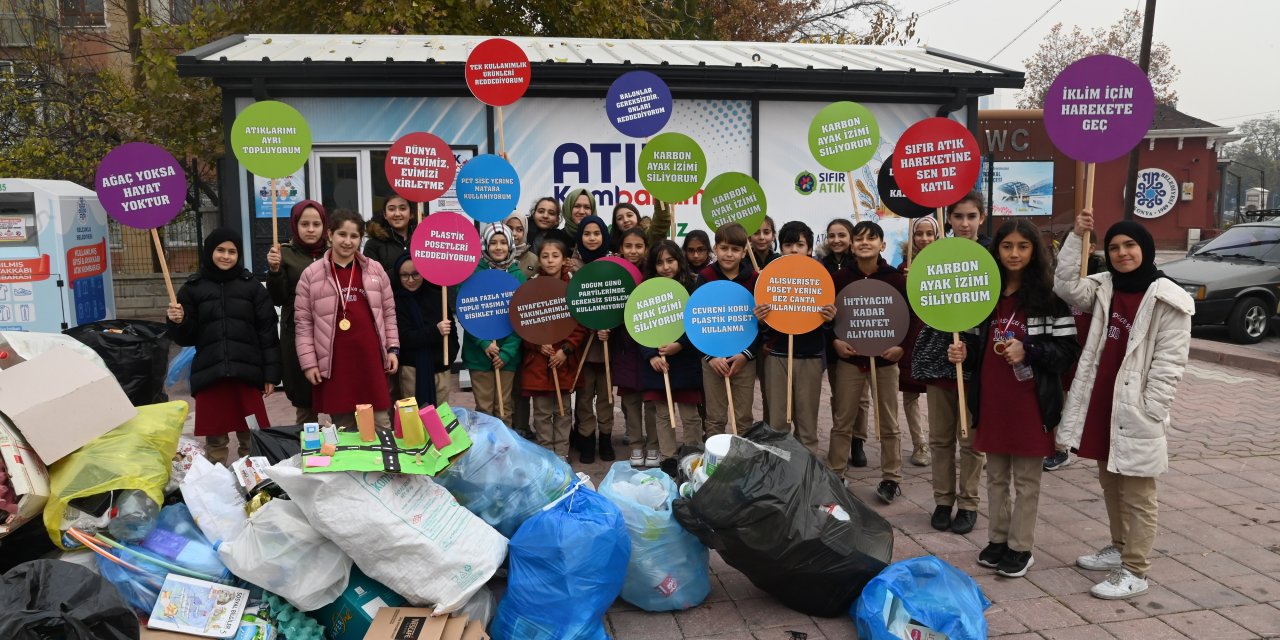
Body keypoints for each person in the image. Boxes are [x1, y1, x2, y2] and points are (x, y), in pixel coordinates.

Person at [1054, 210, 1193, 600]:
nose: (1122, 253)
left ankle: (1136, 569)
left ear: (1145, 249)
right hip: (1102, 402)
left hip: (1136, 408)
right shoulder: (1102, 287)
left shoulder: (1169, 297)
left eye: (1129, 245)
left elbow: (1170, 362)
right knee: (1111, 482)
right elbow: (1064, 285)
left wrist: (1152, 408)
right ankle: (1118, 547)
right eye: (1114, 247)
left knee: (1138, 492)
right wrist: (1077, 237)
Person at [948, 219, 1080, 578]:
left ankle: (1021, 547)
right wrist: (964, 354)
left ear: (1034, 251)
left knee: (1025, 480)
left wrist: (1030, 349)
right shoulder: (984, 296)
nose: (1015, 254)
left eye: (1023, 246)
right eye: (1007, 246)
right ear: (997, 251)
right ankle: (998, 539)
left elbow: (1067, 351)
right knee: (995, 477)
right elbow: (978, 347)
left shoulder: (1051, 298)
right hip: (992, 399)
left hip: (1030, 402)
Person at [166, 228, 279, 465]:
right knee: (215, 442)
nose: (226, 256)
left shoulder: (252, 288)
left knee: (252, 436)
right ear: (209, 252)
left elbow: (267, 333)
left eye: (232, 251)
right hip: (211, 374)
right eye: (220, 250)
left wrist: (271, 374)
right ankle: (218, 485)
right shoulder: (193, 289)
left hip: (247, 374)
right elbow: (186, 337)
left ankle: (254, 485)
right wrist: (178, 321)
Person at [914, 191, 989, 535]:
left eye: (971, 216)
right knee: (941, 438)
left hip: (977, 363)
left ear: (981, 219)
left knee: (971, 440)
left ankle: (969, 503)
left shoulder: (992, 257)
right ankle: (943, 500)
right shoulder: (936, 257)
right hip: (939, 361)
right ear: (949, 219)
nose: (964, 223)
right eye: (958, 216)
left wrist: (971, 350)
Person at [295, 210, 399, 430]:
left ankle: (382, 464)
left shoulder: (375, 270)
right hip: (335, 363)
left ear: (361, 239)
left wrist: (392, 349)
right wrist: (309, 363)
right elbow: (303, 324)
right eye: (342, 234)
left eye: (354, 236)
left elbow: (389, 313)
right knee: (345, 429)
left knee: (380, 424)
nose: (348, 241)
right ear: (330, 234)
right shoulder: (311, 275)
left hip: (370, 360)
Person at [830, 221, 909, 504]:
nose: (865, 243)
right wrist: (835, 342)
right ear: (851, 245)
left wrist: (901, 347)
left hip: (886, 362)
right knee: (842, 420)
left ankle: (891, 477)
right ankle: (836, 474)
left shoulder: (897, 279)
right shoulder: (839, 278)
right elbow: (828, 319)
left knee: (889, 421)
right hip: (851, 361)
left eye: (871, 239)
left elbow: (911, 320)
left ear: (882, 245)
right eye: (859, 239)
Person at [755, 221, 835, 456]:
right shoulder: (770, 274)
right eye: (788, 244)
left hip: (809, 355)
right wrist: (761, 318)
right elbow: (762, 321)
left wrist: (829, 318)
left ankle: (806, 472)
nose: (793, 250)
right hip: (777, 354)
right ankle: (778, 471)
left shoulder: (821, 276)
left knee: (807, 420)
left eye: (799, 245)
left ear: (809, 248)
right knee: (778, 421)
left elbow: (829, 324)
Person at [519, 235, 588, 461]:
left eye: (555, 256)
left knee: (563, 410)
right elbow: (523, 322)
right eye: (545, 256)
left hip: (564, 362)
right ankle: (546, 454)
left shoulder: (572, 288)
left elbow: (580, 325)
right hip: (539, 363)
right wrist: (537, 345)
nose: (550, 261)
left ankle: (561, 453)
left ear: (564, 260)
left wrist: (565, 350)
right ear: (539, 260)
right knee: (541, 413)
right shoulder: (531, 287)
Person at [641, 240, 705, 475]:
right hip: (659, 363)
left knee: (690, 414)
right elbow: (638, 328)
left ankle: (694, 455)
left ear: (680, 260)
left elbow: (698, 323)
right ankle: (668, 458)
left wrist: (680, 345)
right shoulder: (646, 289)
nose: (666, 267)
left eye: (671, 260)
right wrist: (650, 356)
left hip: (685, 361)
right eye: (660, 262)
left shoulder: (692, 286)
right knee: (663, 414)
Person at [266, 199, 327, 423]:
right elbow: (278, 297)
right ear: (295, 225)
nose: (310, 229)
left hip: (331, 329)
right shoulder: (284, 254)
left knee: (337, 393)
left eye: (316, 224)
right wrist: (274, 270)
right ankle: (307, 448)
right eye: (304, 224)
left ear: (324, 226)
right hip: (298, 329)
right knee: (305, 397)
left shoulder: (333, 253)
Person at [695, 222, 759, 437]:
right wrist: (711, 357)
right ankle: (715, 466)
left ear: (744, 252)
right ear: (715, 249)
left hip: (744, 358)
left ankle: (743, 462)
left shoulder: (754, 279)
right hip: (713, 358)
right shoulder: (705, 276)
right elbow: (697, 320)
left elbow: (760, 323)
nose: (729, 254)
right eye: (724, 248)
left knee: (743, 417)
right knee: (714, 417)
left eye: (735, 249)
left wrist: (746, 355)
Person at [462, 224, 526, 427]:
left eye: (503, 242)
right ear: (485, 245)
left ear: (510, 245)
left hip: (507, 356)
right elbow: (467, 312)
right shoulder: (474, 274)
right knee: (484, 409)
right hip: (479, 355)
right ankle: (486, 453)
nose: (498, 247)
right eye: (493, 243)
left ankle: (504, 453)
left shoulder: (517, 276)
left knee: (504, 409)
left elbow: (521, 318)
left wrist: (507, 352)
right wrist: (483, 343)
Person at [821, 218, 871, 467]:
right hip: (833, 341)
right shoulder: (820, 266)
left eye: (842, 235)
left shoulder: (861, 265)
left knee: (861, 397)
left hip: (860, 338)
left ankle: (857, 440)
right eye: (832, 235)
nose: (836, 240)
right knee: (840, 395)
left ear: (851, 239)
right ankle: (843, 436)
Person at [612, 227, 660, 466]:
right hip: (625, 349)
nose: (633, 251)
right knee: (631, 402)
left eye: (638, 246)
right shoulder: (613, 274)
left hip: (650, 347)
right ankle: (636, 446)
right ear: (621, 248)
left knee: (651, 401)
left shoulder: (653, 275)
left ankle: (653, 446)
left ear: (646, 249)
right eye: (628, 246)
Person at [572, 215, 616, 464]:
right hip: (583, 346)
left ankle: (606, 438)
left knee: (607, 396)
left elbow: (620, 300)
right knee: (585, 397)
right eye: (587, 234)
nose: (591, 238)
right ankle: (586, 439)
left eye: (596, 233)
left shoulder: (613, 264)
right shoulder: (572, 266)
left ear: (604, 236)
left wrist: (610, 327)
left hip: (607, 344)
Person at [898, 216, 939, 467]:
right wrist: (907, 282)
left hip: (940, 335)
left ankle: (947, 441)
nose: (924, 239)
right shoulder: (904, 266)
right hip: (912, 334)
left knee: (942, 393)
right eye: (919, 234)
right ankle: (919, 444)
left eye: (929, 234)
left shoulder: (947, 262)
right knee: (911, 393)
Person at [392, 254, 456, 408]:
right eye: (404, 275)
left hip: (440, 368)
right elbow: (404, 338)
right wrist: (435, 331)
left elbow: (451, 332)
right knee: (413, 419)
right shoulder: (396, 301)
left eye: (415, 274)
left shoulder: (439, 297)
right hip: (412, 370)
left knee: (441, 418)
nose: (410, 280)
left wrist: (450, 357)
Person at [364, 195, 416, 276]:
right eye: (391, 209)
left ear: (411, 214)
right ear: (385, 215)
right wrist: (400, 270)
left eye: (402, 208)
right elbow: (372, 280)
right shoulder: (373, 245)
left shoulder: (424, 241)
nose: (397, 214)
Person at [609, 201, 674, 255]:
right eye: (620, 218)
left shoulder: (648, 236)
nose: (625, 220)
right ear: (616, 224)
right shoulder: (611, 248)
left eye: (629, 215)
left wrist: (659, 195)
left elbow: (661, 221)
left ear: (637, 216)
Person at [521, 197, 561, 280]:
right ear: (534, 213)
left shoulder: (561, 239)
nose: (545, 216)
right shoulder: (521, 233)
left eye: (551, 213)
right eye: (541, 211)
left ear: (557, 219)